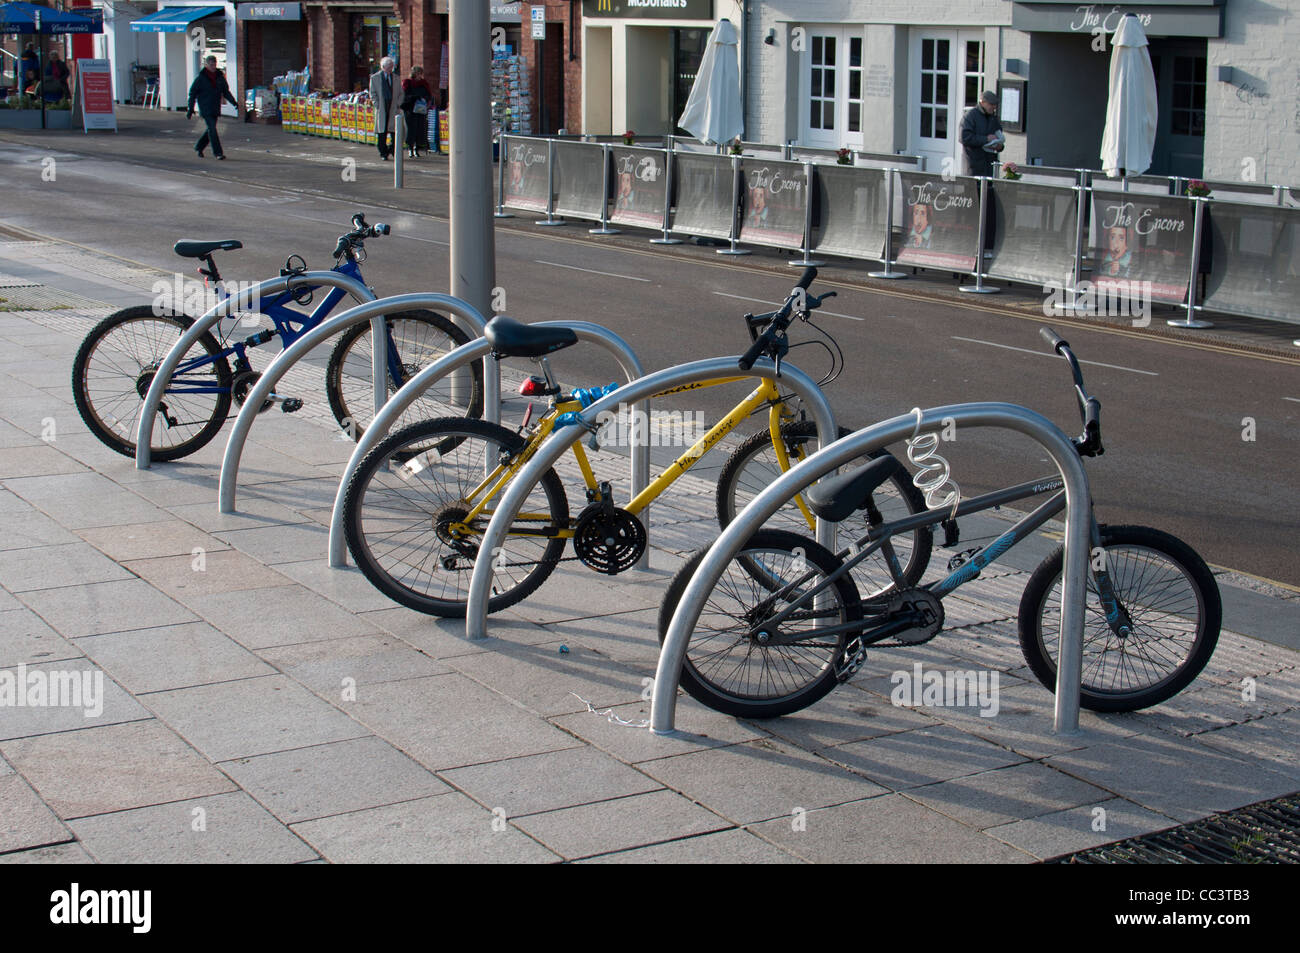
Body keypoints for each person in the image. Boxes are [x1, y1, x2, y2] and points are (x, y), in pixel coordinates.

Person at [960, 90, 1003, 253]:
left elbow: (999, 135)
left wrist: (1000, 145)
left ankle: (987, 243)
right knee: (973, 208)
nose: (993, 108)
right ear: (983, 102)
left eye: (995, 105)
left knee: (989, 206)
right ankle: (971, 243)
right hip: (973, 168)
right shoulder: (970, 117)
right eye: (991, 105)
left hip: (989, 167)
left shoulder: (993, 118)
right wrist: (985, 139)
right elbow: (964, 138)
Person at [187, 55, 239, 160]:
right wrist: (190, 108)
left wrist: (234, 102)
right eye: (211, 64)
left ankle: (199, 147)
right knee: (212, 130)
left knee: (210, 130)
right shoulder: (201, 78)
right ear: (206, 65)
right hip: (205, 108)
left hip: (215, 107)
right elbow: (192, 93)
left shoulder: (219, 77)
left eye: (214, 64)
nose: (213, 66)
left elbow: (225, 92)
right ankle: (218, 153)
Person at [368, 56, 398, 160]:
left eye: (392, 67)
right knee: (382, 131)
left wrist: (398, 104)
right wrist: (377, 104)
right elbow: (372, 93)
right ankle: (383, 152)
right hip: (382, 107)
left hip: (393, 107)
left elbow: (400, 93)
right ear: (384, 67)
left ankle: (392, 149)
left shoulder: (396, 78)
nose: (391, 69)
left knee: (395, 131)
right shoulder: (375, 78)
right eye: (389, 67)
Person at [400, 65, 433, 158]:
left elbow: (429, 95)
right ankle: (410, 148)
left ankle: (417, 148)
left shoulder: (424, 84)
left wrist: (425, 99)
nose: (420, 76)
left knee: (420, 129)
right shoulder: (408, 83)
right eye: (418, 73)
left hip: (420, 110)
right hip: (411, 110)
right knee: (411, 129)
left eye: (421, 74)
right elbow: (404, 96)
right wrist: (414, 97)